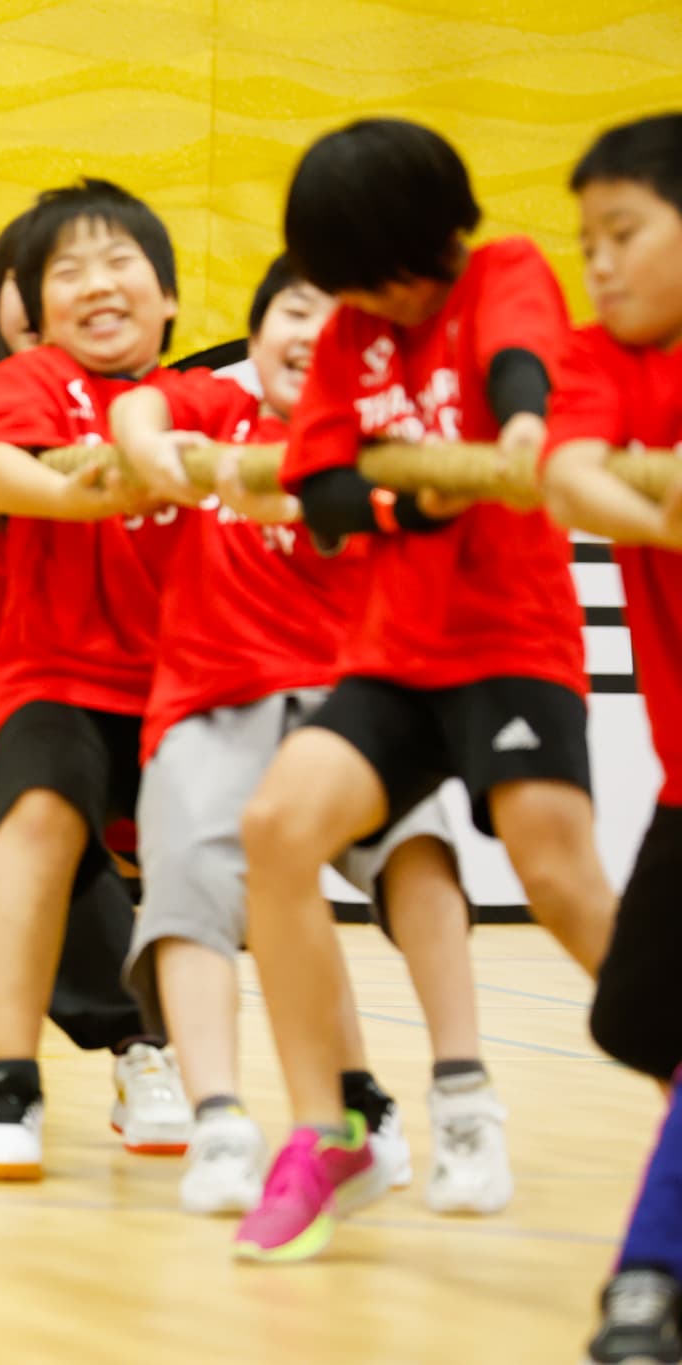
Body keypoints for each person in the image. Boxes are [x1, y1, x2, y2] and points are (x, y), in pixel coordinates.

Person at [235, 118, 614, 1263]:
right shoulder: (352, 331)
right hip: (391, 657)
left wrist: (522, 436)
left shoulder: (501, 273)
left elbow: (516, 362)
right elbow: (324, 488)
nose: (374, 302)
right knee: (275, 829)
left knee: (551, 869)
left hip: (510, 644)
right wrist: (416, 504)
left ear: (428, 245)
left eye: (386, 278)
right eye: (354, 285)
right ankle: (328, 1128)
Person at [112, 255, 503, 1217]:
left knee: (415, 852)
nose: (312, 334)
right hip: (210, 698)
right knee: (190, 883)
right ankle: (220, 1121)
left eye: (342, 324)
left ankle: (463, 1095)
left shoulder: (392, 451)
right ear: (256, 335)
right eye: (294, 311)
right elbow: (141, 409)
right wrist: (156, 446)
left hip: (355, 699)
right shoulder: (218, 417)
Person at [0, 178, 223, 1183]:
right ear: (37, 306)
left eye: (120, 265)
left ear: (167, 302)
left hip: (189, 690)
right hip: (51, 676)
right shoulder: (33, 386)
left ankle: (224, 1088)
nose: (95, 285)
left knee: (216, 872)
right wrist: (88, 490)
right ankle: (9, 1086)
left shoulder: (209, 403)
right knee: (36, 825)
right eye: (67, 271)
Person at [535, 111, 682, 1363]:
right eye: (586, 241)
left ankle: (646, 1282)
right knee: (634, 1022)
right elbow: (572, 473)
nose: (599, 263)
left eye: (624, 233)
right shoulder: (604, 360)